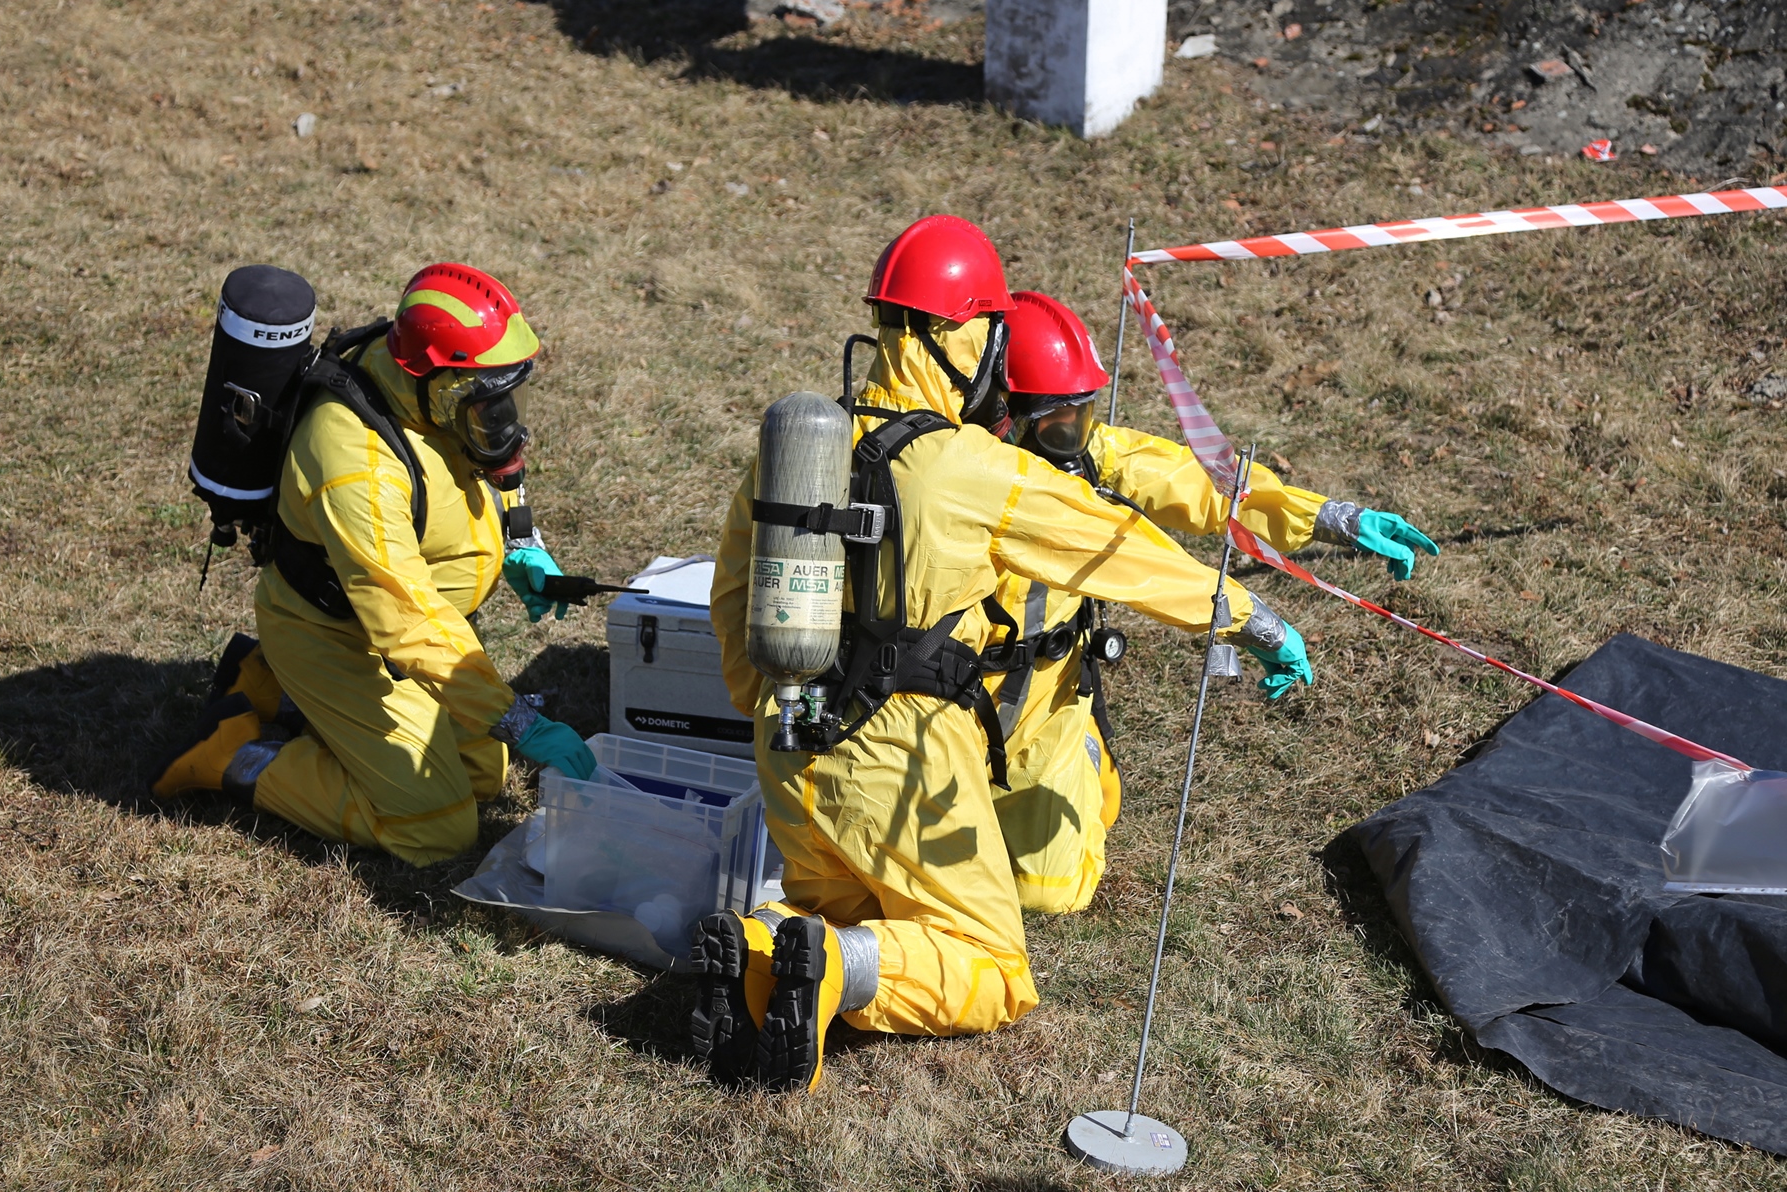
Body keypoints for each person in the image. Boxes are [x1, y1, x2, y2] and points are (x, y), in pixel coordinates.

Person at [695, 216, 1318, 1093]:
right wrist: (1245, 617)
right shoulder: (969, 467)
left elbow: (733, 594)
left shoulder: (801, 443)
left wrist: (756, 698)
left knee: (852, 902)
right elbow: (1111, 545)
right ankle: (835, 968)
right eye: (989, 329)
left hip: (788, 746)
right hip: (902, 761)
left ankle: (765, 950)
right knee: (993, 968)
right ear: (958, 334)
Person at [982, 290, 1441, 913]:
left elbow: (1201, 483)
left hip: (1038, 709)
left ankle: (1083, 754)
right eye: (1061, 423)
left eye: (1083, 417)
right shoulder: (969, 479)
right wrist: (1258, 625)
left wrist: (1334, 519)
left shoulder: (1077, 459)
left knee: (1050, 892)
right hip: (942, 704)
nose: (1078, 439)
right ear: (1002, 413)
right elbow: (1151, 572)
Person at [150, 263, 595, 866]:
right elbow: (404, 619)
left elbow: (496, 450)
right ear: (437, 384)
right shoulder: (352, 459)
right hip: (338, 632)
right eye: (486, 400)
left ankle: (271, 689)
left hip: (392, 627)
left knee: (481, 776)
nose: (503, 417)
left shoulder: (431, 386)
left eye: (508, 394)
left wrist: (522, 538)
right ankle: (236, 756)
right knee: (436, 824)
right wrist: (521, 723)